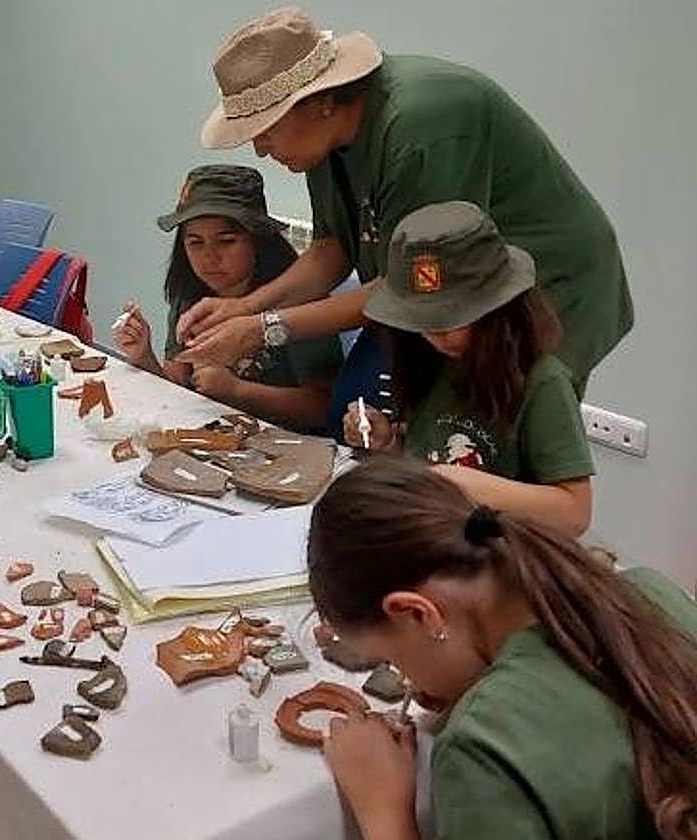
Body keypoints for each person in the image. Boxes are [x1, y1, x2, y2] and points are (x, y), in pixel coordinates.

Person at [177, 7, 631, 428]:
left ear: (321, 101)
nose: (260, 149)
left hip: (543, 286)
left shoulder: (423, 128)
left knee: (491, 438)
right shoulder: (323, 144)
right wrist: (246, 307)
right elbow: (330, 249)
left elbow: (414, 284)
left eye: (268, 129)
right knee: (377, 422)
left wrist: (265, 329)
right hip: (433, 296)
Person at [306, 458, 697, 840]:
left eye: (395, 660)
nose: (408, 681)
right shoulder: (654, 592)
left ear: (418, 613)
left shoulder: (480, 750)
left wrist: (383, 812)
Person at [342, 201, 593, 535]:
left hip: (505, 554)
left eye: (450, 321)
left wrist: (460, 483)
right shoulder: (430, 363)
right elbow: (427, 454)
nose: (435, 336)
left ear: (499, 309)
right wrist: (388, 444)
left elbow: (574, 512)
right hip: (436, 537)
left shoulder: (543, 382)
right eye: (422, 324)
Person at [114, 165, 341, 431]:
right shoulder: (190, 295)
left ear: (258, 239)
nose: (209, 257)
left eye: (226, 240)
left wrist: (237, 390)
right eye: (195, 243)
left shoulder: (298, 300)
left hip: (291, 448)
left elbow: (325, 409)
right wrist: (143, 356)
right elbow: (176, 387)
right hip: (218, 439)